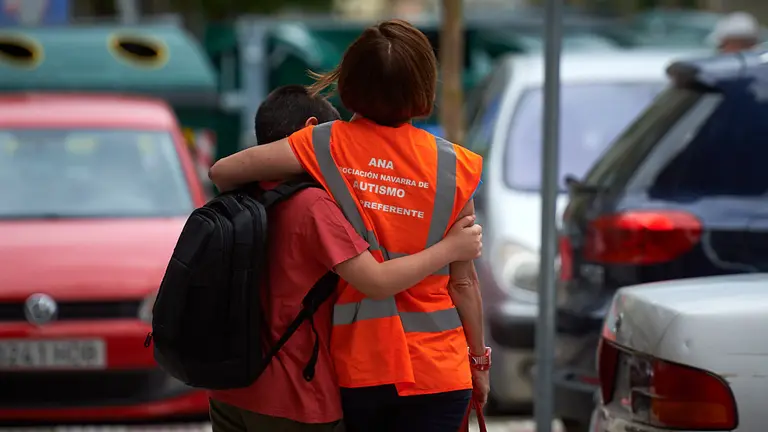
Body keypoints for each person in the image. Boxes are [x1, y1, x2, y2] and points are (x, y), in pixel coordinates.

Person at [209, 20, 489, 432]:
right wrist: (478, 363)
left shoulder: (323, 144)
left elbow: (223, 171)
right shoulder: (455, 166)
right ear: (423, 87)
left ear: (349, 82)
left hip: (361, 367)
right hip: (440, 369)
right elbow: (463, 285)